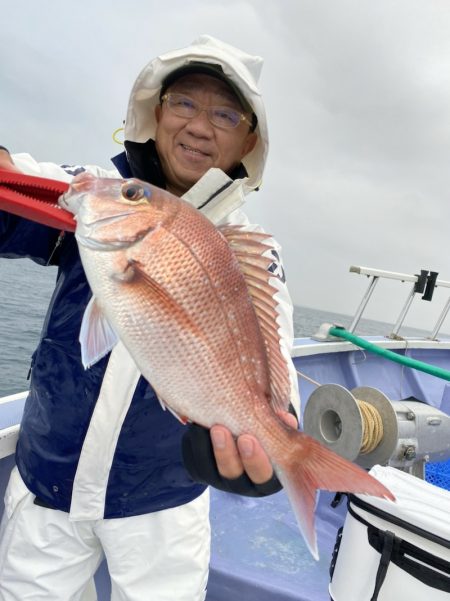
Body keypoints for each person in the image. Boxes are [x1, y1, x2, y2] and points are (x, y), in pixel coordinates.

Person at [0, 35, 299, 601]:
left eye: (225, 114)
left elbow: (271, 361)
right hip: (46, 482)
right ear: (155, 112)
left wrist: (267, 450)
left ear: (247, 141)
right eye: (184, 103)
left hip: (161, 503)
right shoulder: (101, 191)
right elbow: (20, 192)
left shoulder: (253, 250)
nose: (199, 126)